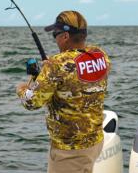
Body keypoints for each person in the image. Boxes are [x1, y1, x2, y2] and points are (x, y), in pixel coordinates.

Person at [16, 10, 111, 173]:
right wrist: (50, 72)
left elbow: (31, 102)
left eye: (56, 34)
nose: (55, 38)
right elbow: (75, 76)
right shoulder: (100, 55)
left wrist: (23, 88)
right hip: (95, 141)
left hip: (69, 151)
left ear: (65, 36)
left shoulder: (55, 65)